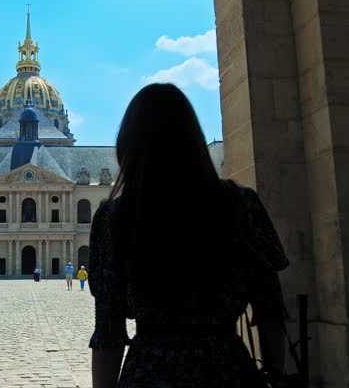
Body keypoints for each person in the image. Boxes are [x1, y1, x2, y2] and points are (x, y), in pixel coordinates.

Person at [88, 83, 290, 388]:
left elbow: (108, 333)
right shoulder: (242, 205)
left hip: (150, 373)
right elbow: (271, 311)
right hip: (227, 371)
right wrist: (275, 377)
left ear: (128, 144)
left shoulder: (114, 218)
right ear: (194, 139)